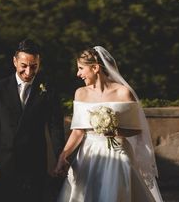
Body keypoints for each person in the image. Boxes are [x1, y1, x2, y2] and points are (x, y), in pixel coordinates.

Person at [55, 46, 163, 202]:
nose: (78, 74)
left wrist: (114, 131)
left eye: (81, 68)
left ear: (95, 68)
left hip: (118, 152)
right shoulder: (81, 93)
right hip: (89, 154)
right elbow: (78, 131)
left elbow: (136, 129)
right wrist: (63, 155)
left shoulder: (123, 92)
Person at [0, 40, 65, 201]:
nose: (28, 72)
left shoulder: (48, 88)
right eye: (24, 65)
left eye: (34, 66)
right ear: (14, 61)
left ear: (39, 63)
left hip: (35, 162)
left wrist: (60, 158)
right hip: (4, 163)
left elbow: (55, 127)